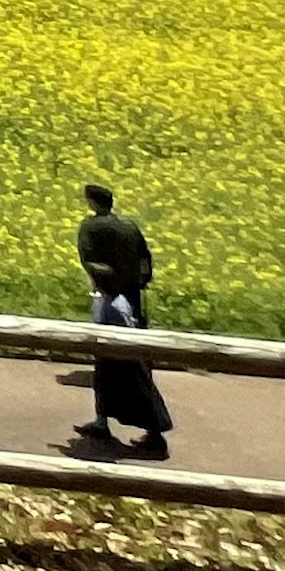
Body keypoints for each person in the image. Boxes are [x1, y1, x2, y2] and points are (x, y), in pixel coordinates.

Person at [71, 182, 174, 462]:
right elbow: (145, 260)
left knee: (111, 362)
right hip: (133, 298)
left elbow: (91, 262)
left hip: (111, 298)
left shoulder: (91, 228)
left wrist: (106, 287)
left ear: (92, 201)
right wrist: (137, 285)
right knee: (138, 362)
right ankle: (107, 421)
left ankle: (147, 429)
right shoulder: (129, 226)